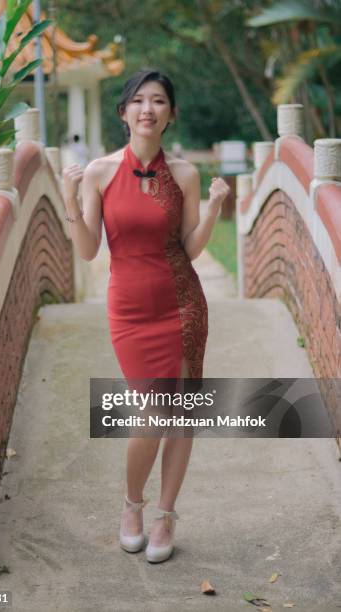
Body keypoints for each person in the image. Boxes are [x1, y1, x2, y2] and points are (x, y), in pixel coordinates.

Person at [62, 68, 230, 563]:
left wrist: (215, 208)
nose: (148, 109)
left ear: (171, 114)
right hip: (130, 311)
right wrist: (71, 199)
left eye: (159, 101)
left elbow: (190, 248)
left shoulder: (184, 175)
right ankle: (131, 505)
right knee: (151, 413)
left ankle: (166, 515)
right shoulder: (99, 172)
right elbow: (90, 250)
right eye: (139, 101)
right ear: (124, 112)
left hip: (182, 303)